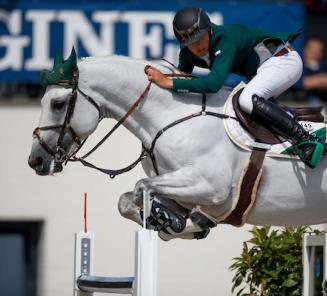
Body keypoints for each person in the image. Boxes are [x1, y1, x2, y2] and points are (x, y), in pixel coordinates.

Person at [145, 6, 324, 168]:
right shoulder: (188, 52)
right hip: (263, 70)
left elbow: (213, 84)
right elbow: (182, 79)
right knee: (245, 102)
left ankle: (306, 139)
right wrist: (166, 79)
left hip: (283, 61)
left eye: (199, 39)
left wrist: (169, 82)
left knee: (247, 99)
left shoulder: (224, 38)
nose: (196, 46)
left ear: (209, 30)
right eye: (189, 43)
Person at [302, 36, 327, 104]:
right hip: (301, 102)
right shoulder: (299, 66)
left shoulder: (324, 66)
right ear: (306, 49)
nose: (315, 53)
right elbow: (302, 83)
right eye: (313, 49)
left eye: (319, 50)